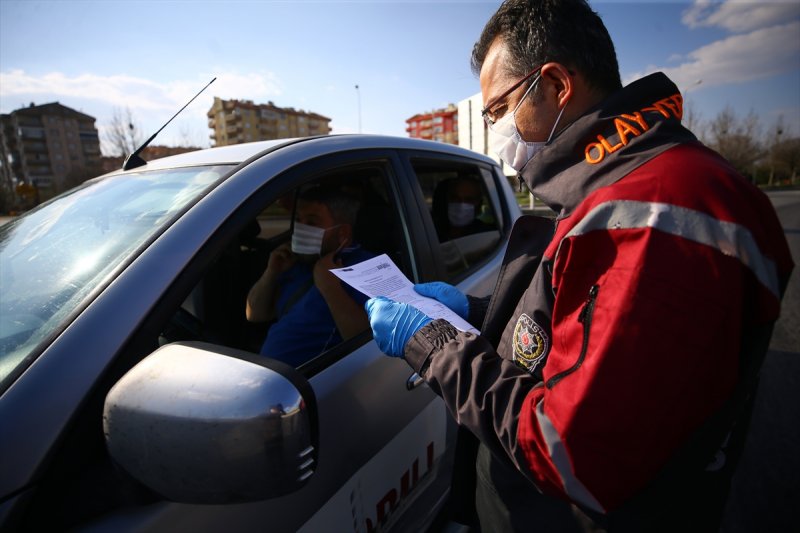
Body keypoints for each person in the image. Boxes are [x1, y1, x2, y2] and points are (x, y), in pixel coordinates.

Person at [364, 1, 794, 531]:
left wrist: (432, 345)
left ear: (556, 85)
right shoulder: (623, 186)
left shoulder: (650, 213)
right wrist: (476, 312)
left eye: (498, 109)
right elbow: (578, 331)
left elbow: (571, 452)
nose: (495, 129)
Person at [246, 184, 373, 367]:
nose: (300, 228)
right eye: (298, 220)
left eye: (312, 223)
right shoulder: (300, 263)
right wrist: (271, 272)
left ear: (342, 233)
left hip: (311, 380)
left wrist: (330, 287)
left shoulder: (366, 267)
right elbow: (255, 314)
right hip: (270, 375)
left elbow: (369, 346)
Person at [432, 176, 496, 242]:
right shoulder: (432, 230)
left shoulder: (486, 234)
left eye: (469, 200)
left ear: (479, 204)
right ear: (448, 199)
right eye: (455, 198)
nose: (461, 204)